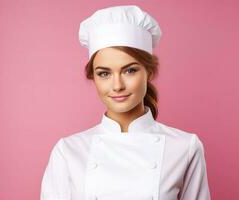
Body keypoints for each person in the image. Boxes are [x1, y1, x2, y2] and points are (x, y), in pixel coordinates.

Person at [40, 5, 211, 200]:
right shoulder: (68, 151)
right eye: (104, 73)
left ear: (149, 72)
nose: (117, 85)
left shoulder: (185, 147)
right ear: (93, 78)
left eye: (129, 70)